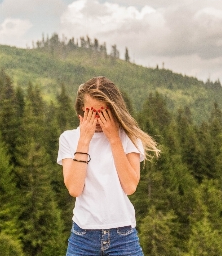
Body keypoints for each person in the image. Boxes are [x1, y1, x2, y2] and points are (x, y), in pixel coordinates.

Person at [57, 76, 160, 255]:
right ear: (81, 111)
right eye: (91, 113)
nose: (97, 120)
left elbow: (130, 186)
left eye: (103, 113)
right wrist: (84, 141)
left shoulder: (129, 137)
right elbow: (74, 188)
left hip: (123, 236)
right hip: (82, 236)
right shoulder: (69, 138)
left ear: (114, 110)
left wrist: (114, 139)